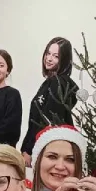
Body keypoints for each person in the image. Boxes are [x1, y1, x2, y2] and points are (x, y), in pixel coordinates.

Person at [20, 37, 79, 167]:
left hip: (45, 149)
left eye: (56, 56)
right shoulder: (49, 83)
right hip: (42, 147)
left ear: (64, 60)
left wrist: (29, 150)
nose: (49, 58)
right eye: (48, 53)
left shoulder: (58, 84)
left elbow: (46, 121)